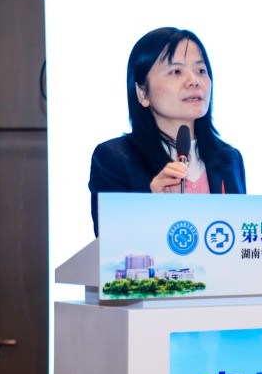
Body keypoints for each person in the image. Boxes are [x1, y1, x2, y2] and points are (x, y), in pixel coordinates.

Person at [88, 27, 246, 236]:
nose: (194, 80)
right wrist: (154, 206)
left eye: (201, 70)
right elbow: (109, 244)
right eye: (176, 72)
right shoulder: (114, 158)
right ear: (142, 92)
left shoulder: (230, 159)